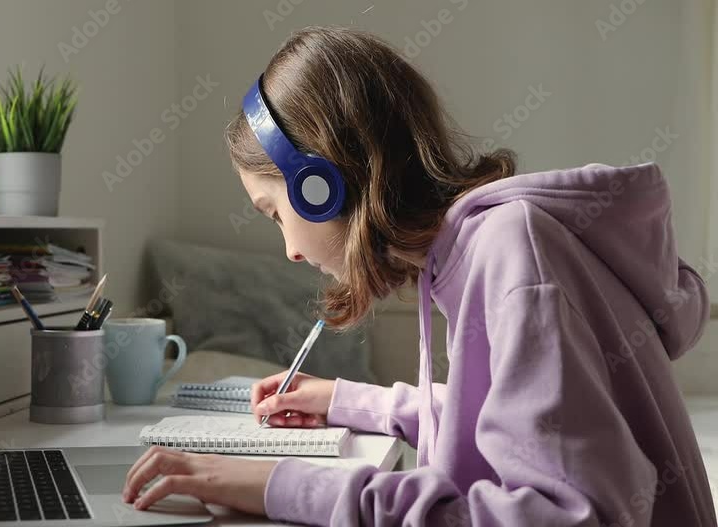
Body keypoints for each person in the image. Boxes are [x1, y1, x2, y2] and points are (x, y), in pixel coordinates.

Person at [122, 26, 716, 526]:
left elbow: (571, 513)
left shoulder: (516, 254)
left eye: (276, 213)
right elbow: (499, 416)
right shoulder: (481, 249)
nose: (290, 252)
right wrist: (353, 402)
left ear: (320, 185)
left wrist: (283, 486)